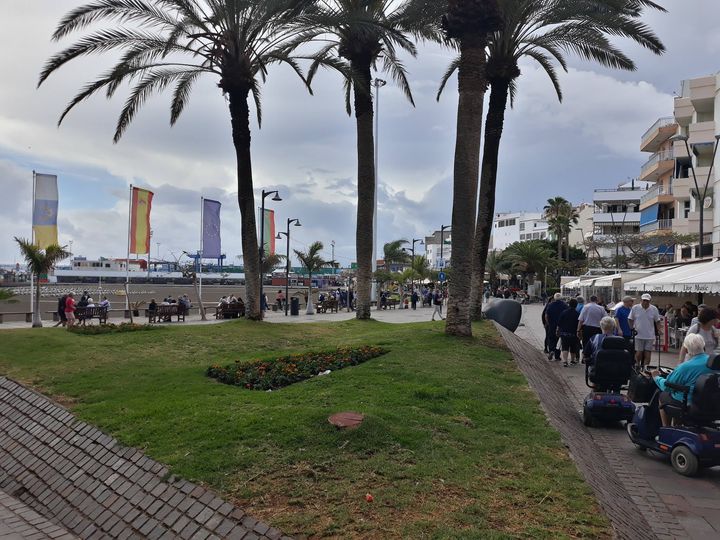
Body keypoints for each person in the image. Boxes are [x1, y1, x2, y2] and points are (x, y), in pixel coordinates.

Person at [652, 333, 718, 427]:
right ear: (703, 346)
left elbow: (667, 387)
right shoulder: (714, 363)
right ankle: (678, 425)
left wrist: (656, 377)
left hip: (690, 403)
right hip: (712, 403)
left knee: (663, 395)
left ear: (686, 350)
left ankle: (666, 430)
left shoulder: (684, 367)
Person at [629, 293, 661, 369]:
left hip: (650, 335)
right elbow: (630, 319)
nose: (645, 302)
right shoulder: (635, 308)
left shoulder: (654, 309)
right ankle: (637, 366)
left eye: (647, 301)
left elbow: (657, 321)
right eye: (644, 300)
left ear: (650, 301)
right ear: (641, 300)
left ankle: (645, 368)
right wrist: (631, 328)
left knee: (648, 353)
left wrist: (659, 329)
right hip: (638, 334)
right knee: (639, 352)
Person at [577, 296, 606, 362]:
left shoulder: (585, 307)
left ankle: (584, 357)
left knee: (586, 343)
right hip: (598, 328)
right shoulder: (601, 308)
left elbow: (581, 320)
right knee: (596, 343)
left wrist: (578, 330)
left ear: (590, 300)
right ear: (597, 300)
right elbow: (605, 318)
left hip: (587, 328)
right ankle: (595, 357)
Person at [543, 293, 567, 361]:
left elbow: (546, 315)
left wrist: (548, 323)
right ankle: (557, 355)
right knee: (559, 341)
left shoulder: (550, 305)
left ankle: (551, 350)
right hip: (561, 326)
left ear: (554, 298)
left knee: (551, 338)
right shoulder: (564, 305)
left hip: (552, 325)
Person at [557, 298, 580, 367]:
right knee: (573, 347)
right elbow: (579, 323)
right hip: (573, 333)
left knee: (565, 347)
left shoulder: (564, 312)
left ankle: (565, 361)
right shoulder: (577, 314)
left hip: (564, 333)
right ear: (576, 305)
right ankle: (572, 360)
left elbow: (559, 323)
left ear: (569, 304)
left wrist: (558, 330)